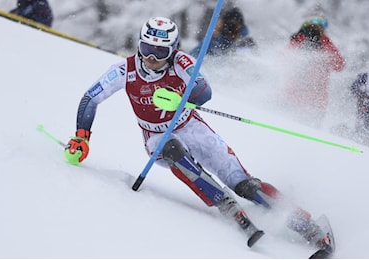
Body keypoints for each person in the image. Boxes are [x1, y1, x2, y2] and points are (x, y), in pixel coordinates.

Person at [64, 17, 332, 252]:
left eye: (160, 51)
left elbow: (204, 92)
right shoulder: (126, 69)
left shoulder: (182, 62)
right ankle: (226, 205)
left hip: (191, 126)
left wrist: (180, 98)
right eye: (147, 49)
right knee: (170, 148)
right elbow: (90, 97)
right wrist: (82, 136)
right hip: (156, 136)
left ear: (173, 50)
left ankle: (308, 226)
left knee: (245, 184)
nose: (152, 58)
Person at [284, 16, 345, 128]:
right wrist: (299, 41)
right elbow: (283, 60)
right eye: (315, 24)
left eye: (321, 25)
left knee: (310, 133)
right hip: (295, 99)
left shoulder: (325, 42)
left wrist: (323, 45)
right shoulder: (298, 39)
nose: (318, 28)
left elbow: (339, 65)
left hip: (316, 102)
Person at [190, 7, 257, 57]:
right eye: (232, 26)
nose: (235, 30)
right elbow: (194, 56)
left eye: (237, 26)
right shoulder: (214, 40)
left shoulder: (246, 43)